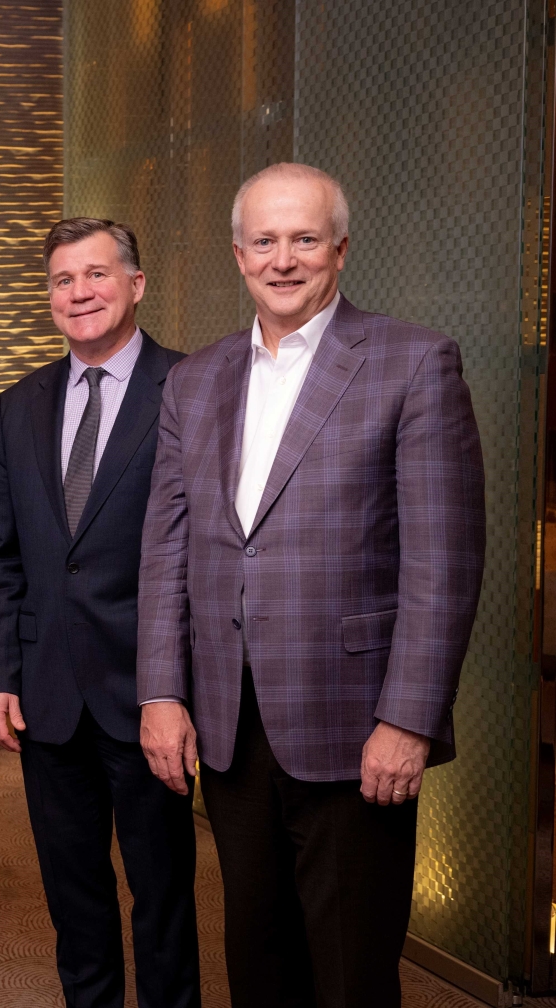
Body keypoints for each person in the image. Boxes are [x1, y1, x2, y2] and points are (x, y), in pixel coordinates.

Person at [137, 162, 485, 1007]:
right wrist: (161, 694)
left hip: (355, 725)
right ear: (238, 255)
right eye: (264, 241)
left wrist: (408, 720)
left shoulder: (414, 361)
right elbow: (168, 550)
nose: (283, 259)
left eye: (304, 239)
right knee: (257, 959)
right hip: (229, 723)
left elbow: (443, 562)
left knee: (350, 972)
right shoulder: (194, 380)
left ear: (340, 250)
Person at [0, 217, 199, 1008]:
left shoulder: (191, 387)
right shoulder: (18, 404)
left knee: (164, 894)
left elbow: (202, 552)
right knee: (73, 895)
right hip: (47, 694)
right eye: (63, 280)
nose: (80, 293)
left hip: (149, 694)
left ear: (136, 284)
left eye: (97, 275)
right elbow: (0, 554)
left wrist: (176, 689)